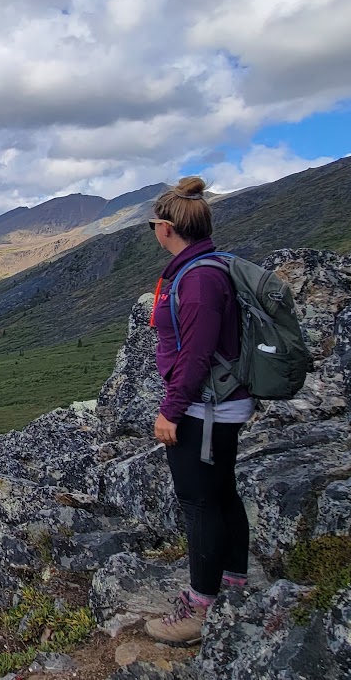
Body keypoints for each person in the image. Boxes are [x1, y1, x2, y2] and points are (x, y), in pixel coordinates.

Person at [142, 176, 251, 646]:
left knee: (199, 502)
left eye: (152, 225)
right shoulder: (203, 267)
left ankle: (199, 609)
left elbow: (197, 353)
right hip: (215, 406)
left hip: (204, 409)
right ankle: (233, 583)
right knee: (222, 492)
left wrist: (171, 409)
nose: (152, 232)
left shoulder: (200, 277)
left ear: (167, 227)